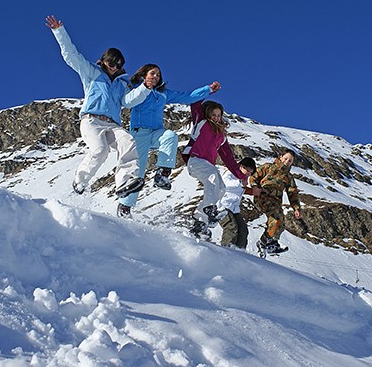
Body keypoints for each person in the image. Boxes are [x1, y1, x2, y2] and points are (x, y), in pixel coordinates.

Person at [45, 15, 145, 201]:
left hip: (113, 124)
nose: (115, 67)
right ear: (104, 61)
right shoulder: (92, 72)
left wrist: (145, 88)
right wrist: (59, 32)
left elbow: (128, 101)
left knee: (127, 141)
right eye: (112, 63)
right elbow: (71, 56)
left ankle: (125, 181)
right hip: (91, 120)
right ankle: (80, 181)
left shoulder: (122, 83)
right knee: (100, 150)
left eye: (119, 65)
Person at [117, 64, 221, 218]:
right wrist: (142, 87)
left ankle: (162, 174)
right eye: (152, 73)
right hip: (139, 134)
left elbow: (187, 97)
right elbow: (128, 102)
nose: (156, 77)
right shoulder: (135, 88)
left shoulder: (163, 93)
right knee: (138, 171)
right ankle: (125, 206)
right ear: (144, 75)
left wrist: (208, 89)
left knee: (170, 136)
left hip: (156, 132)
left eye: (158, 75)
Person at [182, 100, 248, 240]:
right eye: (214, 114)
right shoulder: (201, 122)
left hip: (208, 165)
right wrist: (208, 90)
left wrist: (240, 175)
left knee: (221, 188)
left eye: (219, 115)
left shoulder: (222, 136)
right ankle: (210, 209)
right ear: (207, 114)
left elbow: (228, 158)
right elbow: (195, 104)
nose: (216, 117)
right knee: (213, 177)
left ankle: (200, 222)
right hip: (195, 160)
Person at [249, 148, 302, 257]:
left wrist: (296, 208)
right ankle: (270, 243)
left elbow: (293, 193)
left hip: (275, 202)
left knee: (280, 223)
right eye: (286, 158)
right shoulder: (268, 167)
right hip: (263, 197)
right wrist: (254, 186)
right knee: (276, 217)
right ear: (281, 157)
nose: (287, 161)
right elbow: (254, 176)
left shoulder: (288, 177)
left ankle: (265, 242)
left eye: (290, 161)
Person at [217, 157, 259, 249]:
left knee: (243, 229)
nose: (248, 173)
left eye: (250, 172)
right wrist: (239, 183)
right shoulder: (230, 173)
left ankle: (240, 251)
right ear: (240, 166)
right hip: (222, 206)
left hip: (234, 209)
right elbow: (225, 184)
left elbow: (241, 190)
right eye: (247, 170)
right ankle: (227, 249)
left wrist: (252, 191)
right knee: (231, 227)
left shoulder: (242, 179)